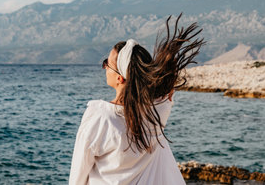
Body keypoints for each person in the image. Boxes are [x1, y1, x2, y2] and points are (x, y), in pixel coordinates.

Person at [69, 14, 204, 185]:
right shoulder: (156, 112)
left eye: (106, 64)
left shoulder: (101, 117)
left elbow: (78, 174)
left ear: (120, 78)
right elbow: (167, 89)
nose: (104, 67)